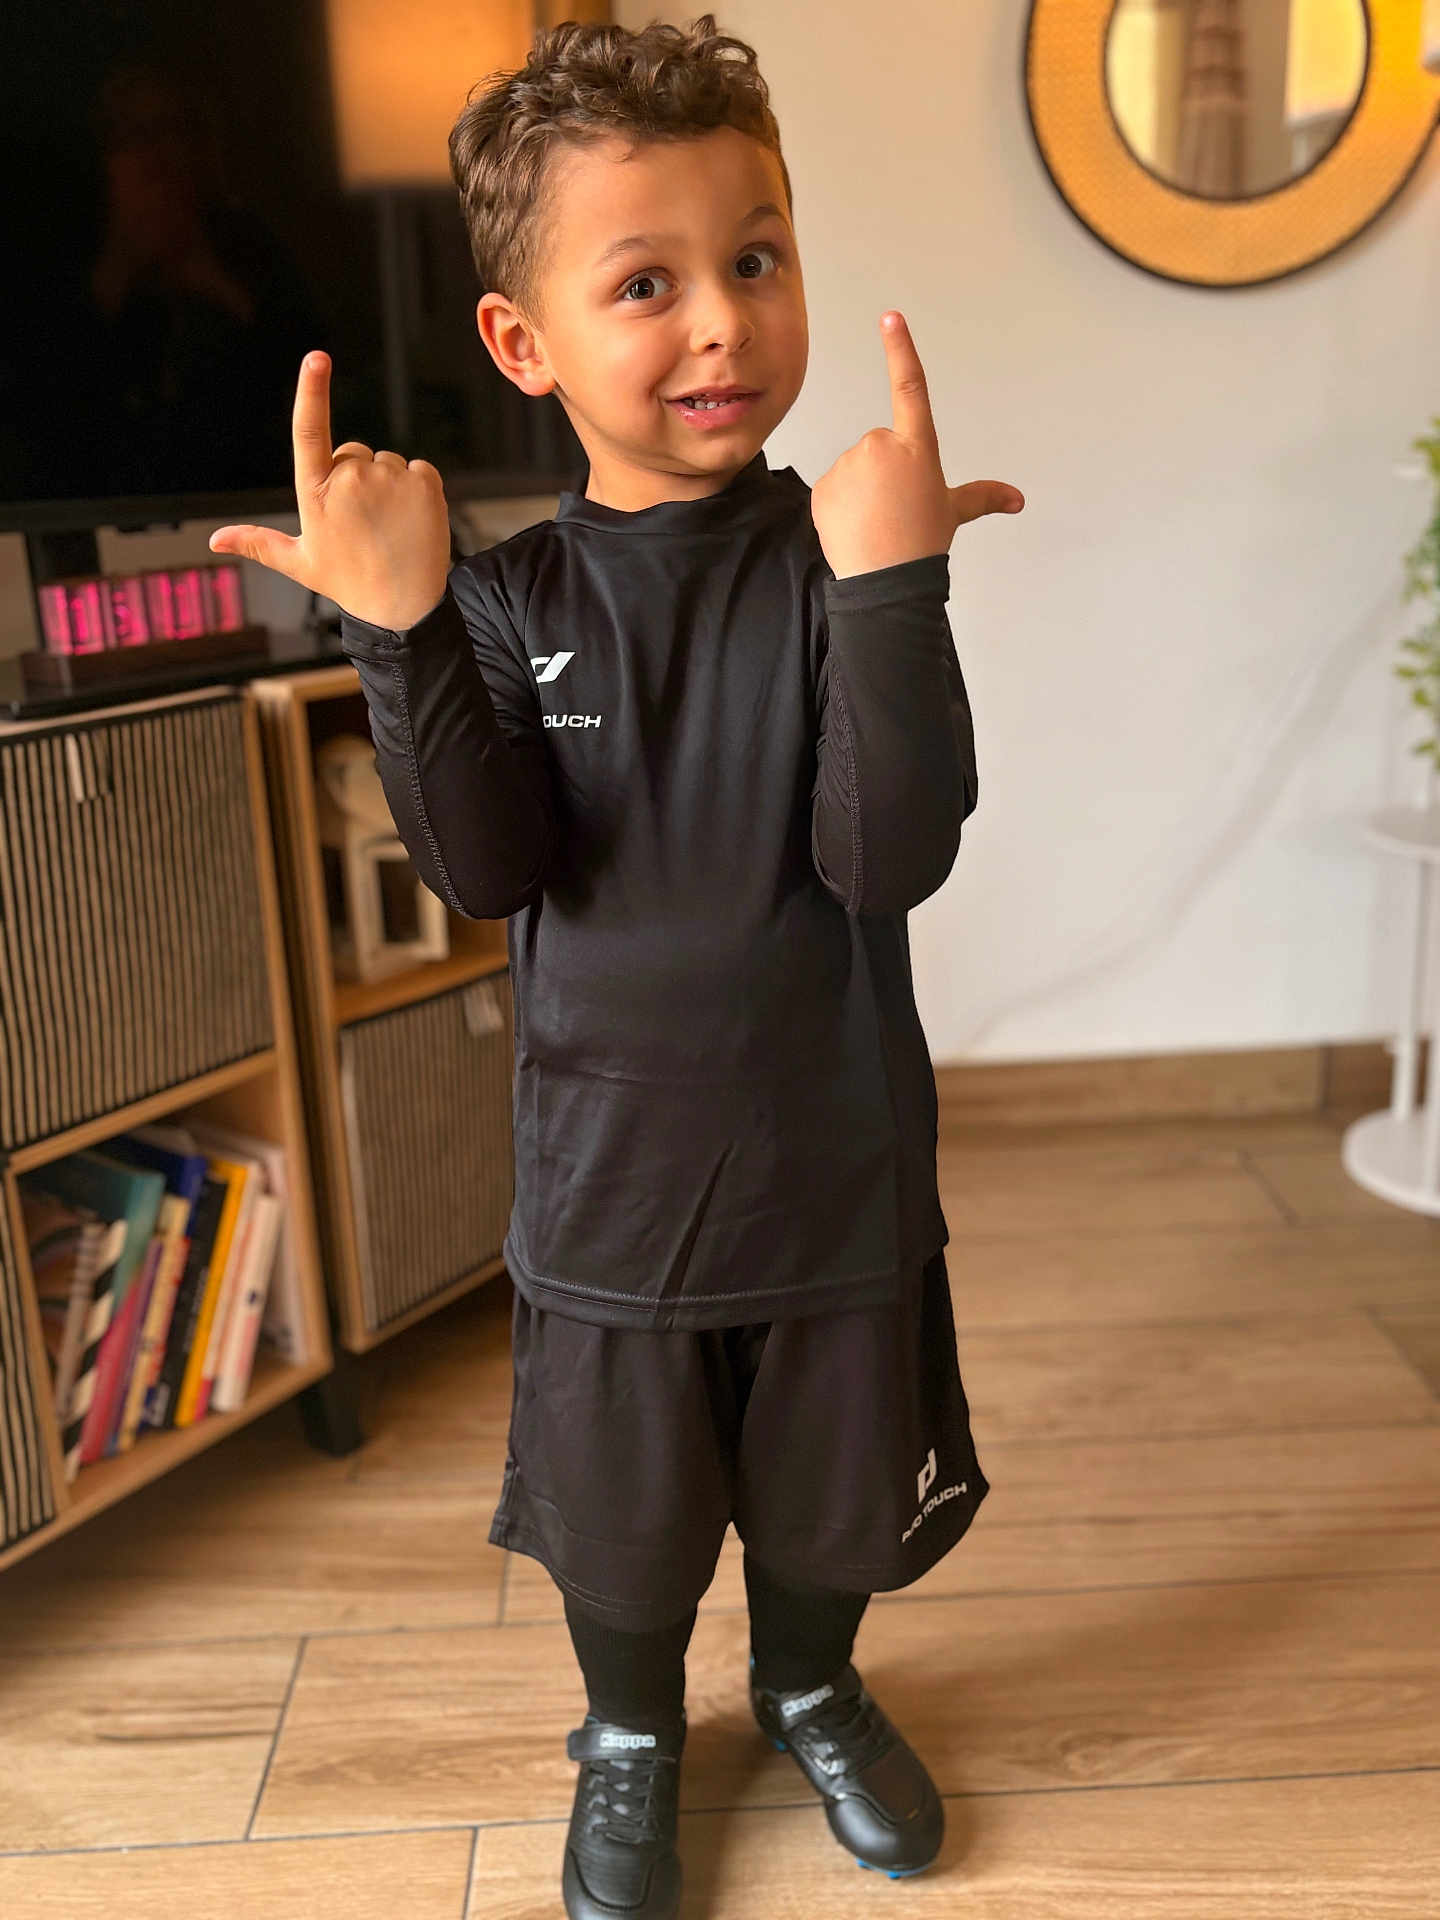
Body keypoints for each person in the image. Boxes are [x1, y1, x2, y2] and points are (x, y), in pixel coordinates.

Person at [210, 16, 1024, 1918]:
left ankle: (809, 1683)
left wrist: (896, 588)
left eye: (758, 256)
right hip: (614, 1198)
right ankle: (631, 1735)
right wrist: (402, 629)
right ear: (525, 341)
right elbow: (489, 870)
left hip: (839, 1172)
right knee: (626, 1523)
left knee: (833, 1493)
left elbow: (887, 857)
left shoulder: (846, 554)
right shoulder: (509, 600)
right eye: (646, 282)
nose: (723, 321)